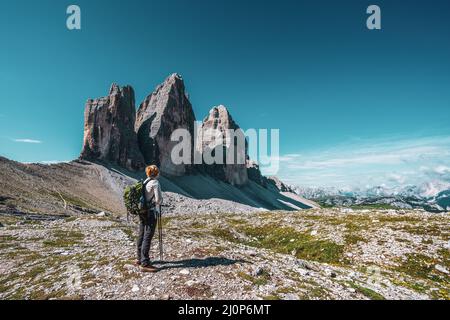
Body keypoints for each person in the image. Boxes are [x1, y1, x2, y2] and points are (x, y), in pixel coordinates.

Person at [136, 165, 163, 272]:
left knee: (141, 234)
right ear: (156, 173)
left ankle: (139, 259)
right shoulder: (155, 183)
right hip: (150, 212)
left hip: (142, 211)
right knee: (148, 236)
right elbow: (158, 199)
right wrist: (157, 203)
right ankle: (145, 263)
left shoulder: (144, 182)